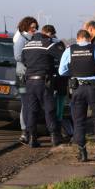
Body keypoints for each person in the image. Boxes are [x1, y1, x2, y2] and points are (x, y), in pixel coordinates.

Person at [58, 29, 95, 162]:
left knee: (78, 120)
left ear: (77, 39)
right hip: (94, 88)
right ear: (89, 39)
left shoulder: (69, 50)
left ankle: (82, 153)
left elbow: (61, 71)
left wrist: (73, 73)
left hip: (77, 89)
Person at [21, 25, 62, 147]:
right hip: (44, 81)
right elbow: (62, 56)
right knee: (49, 109)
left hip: (29, 81)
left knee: (31, 110)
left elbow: (23, 61)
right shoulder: (48, 44)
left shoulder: (26, 45)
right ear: (47, 35)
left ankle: (32, 138)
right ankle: (54, 137)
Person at [13, 16, 39, 144]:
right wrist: (32, 61)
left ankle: (29, 130)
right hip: (22, 77)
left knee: (30, 104)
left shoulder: (33, 39)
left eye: (35, 28)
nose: (34, 30)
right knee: (25, 103)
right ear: (26, 27)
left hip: (29, 75)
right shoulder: (21, 40)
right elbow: (18, 56)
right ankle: (24, 131)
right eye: (32, 27)